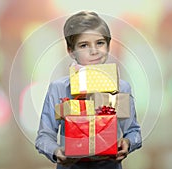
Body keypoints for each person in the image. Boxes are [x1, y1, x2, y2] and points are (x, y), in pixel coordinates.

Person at [35, 11, 142, 169]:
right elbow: (44, 136)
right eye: (84, 45)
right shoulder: (58, 88)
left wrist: (127, 143)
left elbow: (133, 131)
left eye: (100, 43)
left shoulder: (122, 87)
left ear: (108, 46)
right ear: (71, 51)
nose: (94, 51)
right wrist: (56, 151)